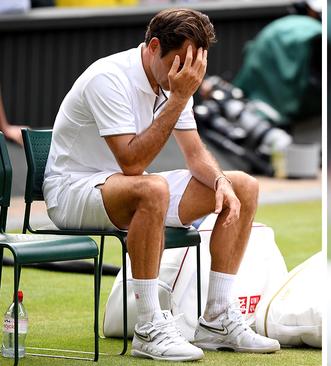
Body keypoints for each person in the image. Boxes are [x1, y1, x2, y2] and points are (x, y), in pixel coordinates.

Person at [43, 8, 280, 361]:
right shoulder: (108, 78)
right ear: (154, 47)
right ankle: (149, 326)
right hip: (72, 191)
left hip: (126, 188)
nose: (187, 74)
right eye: (180, 63)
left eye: (195, 65)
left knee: (243, 186)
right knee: (153, 188)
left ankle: (216, 318)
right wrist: (181, 97)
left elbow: (195, 153)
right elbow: (133, 162)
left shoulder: (173, 80)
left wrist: (220, 182)